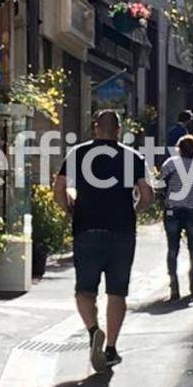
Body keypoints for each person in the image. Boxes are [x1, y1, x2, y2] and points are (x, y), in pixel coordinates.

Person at [54, 109, 154, 372]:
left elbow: (59, 188)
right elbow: (147, 194)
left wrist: (69, 209)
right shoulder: (132, 157)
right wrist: (134, 211)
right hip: (122, 232)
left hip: (86, 229)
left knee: (84, 291)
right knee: (117, 292)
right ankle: (110, 349)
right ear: (119, 130)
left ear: (95, 127)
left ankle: (92, 332)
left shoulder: (78, 153)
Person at [160, 135, 193, 300]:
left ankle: (174, 284)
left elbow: (159, 183)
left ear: (179, 149)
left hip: (173, 210)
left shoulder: (171, 163)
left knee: (172, 248)